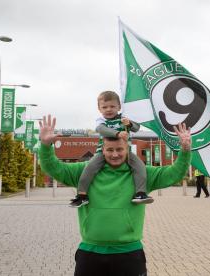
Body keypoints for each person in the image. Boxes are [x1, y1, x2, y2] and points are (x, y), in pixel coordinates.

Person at [39, 114, 192, 276]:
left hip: (129, 253)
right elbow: (54, 168)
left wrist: (185, 150)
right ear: (102, 149)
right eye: (110, 150)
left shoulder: (141, 174)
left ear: (127, 149)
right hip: (90, 252)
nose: (115, 154)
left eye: (120, 149)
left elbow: (173, 174)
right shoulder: (84, 172)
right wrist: (45, 146)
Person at [69, 91, 152, 208]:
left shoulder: (124, 117)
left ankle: (140, 193)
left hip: (125, 152)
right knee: (89, 168)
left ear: (119, 106)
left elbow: (136, 128)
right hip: (103, 153)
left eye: (112, 106)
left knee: (140, 167)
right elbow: (101, 129)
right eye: (104, 107)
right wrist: (118, 133)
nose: (108, 109)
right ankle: (82, 195)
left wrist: (129, 124)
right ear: (99, 108)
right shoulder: (101, 120)